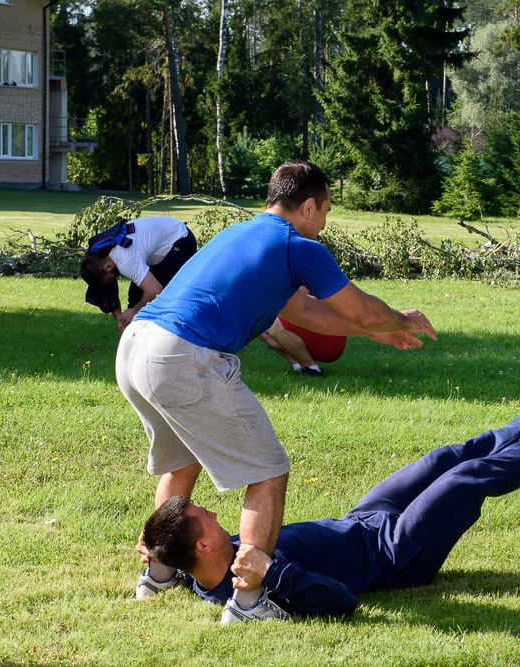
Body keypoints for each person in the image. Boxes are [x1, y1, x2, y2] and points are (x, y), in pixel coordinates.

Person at [116, 161, 438, 622]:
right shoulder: (296, 245)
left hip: (135, 348)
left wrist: (374, 333)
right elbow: (362, 308)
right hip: (181, 355)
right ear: (307, 206)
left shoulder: (242, 234)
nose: (324, 223)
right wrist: (399, 321)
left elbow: (304, 310)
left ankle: (161, 574)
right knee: (266, 472)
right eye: (325, 210)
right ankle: (248, 601)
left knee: (179, 462)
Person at [139, 361, 520, 623]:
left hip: (362, 519)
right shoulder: (249, 586)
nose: (217, 515)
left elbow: (178, 566)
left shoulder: (201, 569)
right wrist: (272, 573)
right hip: (394, 553)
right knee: (463, 480)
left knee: (440, 459)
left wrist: (158, 555)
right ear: (201, 544)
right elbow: (341, 602)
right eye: (207, 518)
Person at [80, 216, 197, 332]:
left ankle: (167, 336)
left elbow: (155, 290)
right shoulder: (98, 256)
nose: (112, 281)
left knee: (162, 300)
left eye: (110, 279)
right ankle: (134, 337)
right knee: (136, 297)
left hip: (180, 240)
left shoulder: (126, 260)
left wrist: (134, 311)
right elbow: (107, 291)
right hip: (157, 248)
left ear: (107, 267)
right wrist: (121, 320)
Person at [258, 289, 349, 377]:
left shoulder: (298, 274)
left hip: (329, 338)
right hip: (317, 328)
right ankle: (297, 364)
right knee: (255, 325)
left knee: (273, 324)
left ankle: (311, 368)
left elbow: (297, 303)